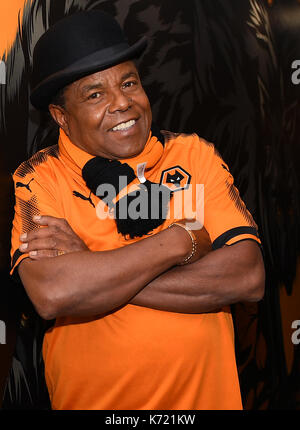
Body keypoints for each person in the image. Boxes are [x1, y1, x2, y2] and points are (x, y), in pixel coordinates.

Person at [10, 10, 265, 410]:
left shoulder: (193, 154)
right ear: (61, 116)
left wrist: (93, 269)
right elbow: (54, 293)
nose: (123, 103)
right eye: (95, 95)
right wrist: (181, 240)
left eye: (129, 83)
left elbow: (247, 276)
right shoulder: (40, 177)